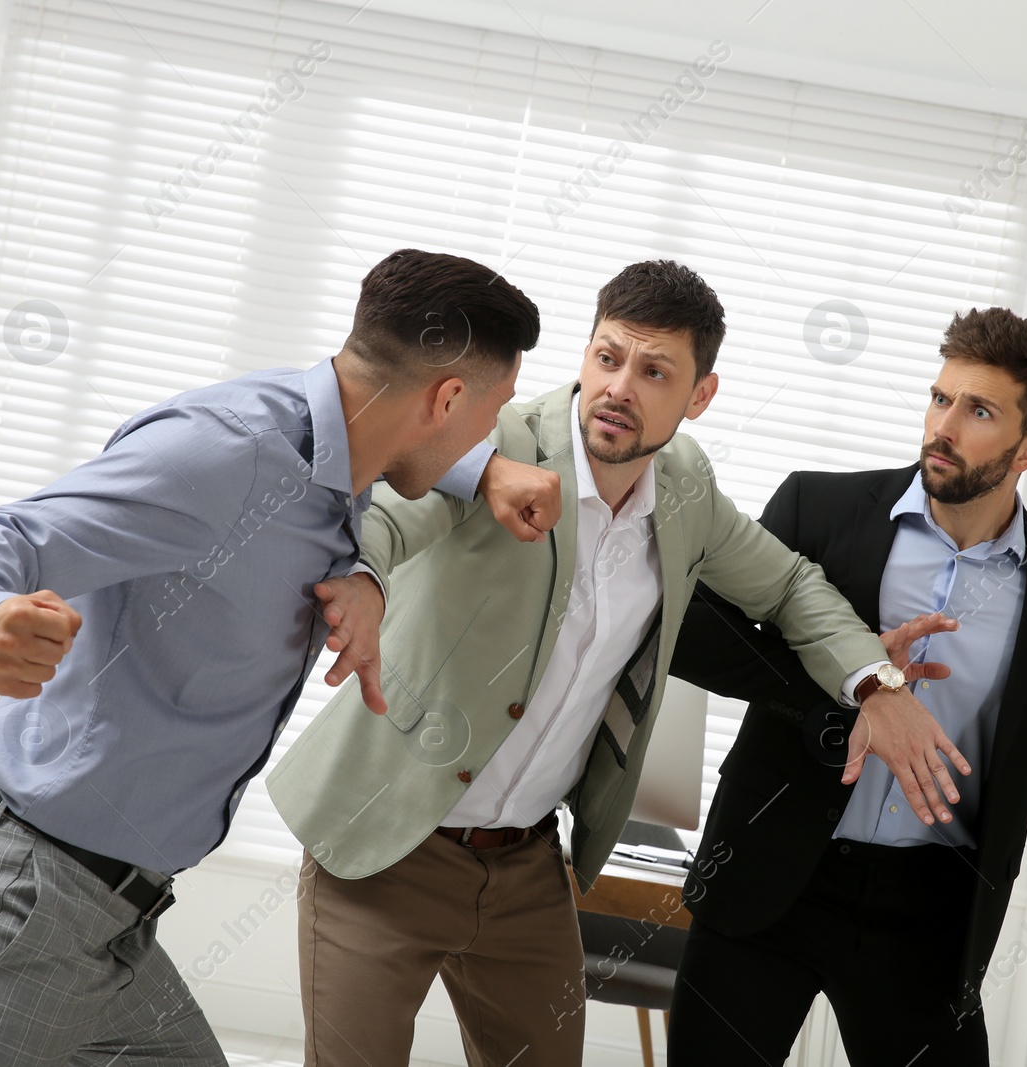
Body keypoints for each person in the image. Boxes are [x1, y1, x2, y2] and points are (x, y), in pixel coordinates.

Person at [265, 260, 964, 1067]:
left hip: (525, 865)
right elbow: (392, 510)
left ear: (699, 395)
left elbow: (789, 583)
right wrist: (367, 580)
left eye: (655, 370)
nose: (619, 386)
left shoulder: (686, 487)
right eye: (608, 356)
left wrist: (876, 684)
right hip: (385, 846)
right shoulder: (499, 437)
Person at [0, 249, 554, 1066]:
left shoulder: (344, 451)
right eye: (494, 412)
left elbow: (422, 453)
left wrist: (486, 469)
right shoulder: (229, 454)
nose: (491, 432)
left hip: (109, 921)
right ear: (446, 397)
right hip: (20, 898)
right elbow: (1, 537)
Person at [664, 307, 1027, 1066]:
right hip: (770, 880)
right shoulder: (820, 509)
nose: (943, 425)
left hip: (931, 916)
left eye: (978, 411)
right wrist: (853, 675)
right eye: (940, 398)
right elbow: (695, 637)